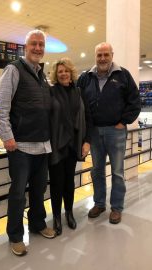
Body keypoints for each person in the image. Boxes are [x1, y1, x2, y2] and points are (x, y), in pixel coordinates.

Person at [0, 29, 56, 256]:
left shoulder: (41, 75)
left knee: (39, 191)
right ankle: (16, 236)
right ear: (25, 47)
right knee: (18, 194)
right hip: (20, 147)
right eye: (33, 44)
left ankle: (38, 224)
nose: (38, 48)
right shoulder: (13, 70)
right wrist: (8, 138)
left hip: (42, 146)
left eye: (41, 44)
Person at [77, 42, 141, 224]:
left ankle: (116, 207)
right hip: (94, 132)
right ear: (95, 56)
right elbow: (77, 101)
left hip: (116, 131)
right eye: (99, 55)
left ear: (112, 55)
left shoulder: (123, 75)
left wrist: (123, 122)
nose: (103, 58)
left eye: (106, 54)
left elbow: (134, 101)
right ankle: (99, 203)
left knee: (118, 172)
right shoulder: (86, 78)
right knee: (97, 170)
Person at [49, 58, 92, 235]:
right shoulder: (50, 92)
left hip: (74, 144)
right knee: (56, 184)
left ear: (71, 72)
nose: (64, 74)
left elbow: (88, 118)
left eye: (66, 71)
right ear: (56, 75)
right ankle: (57, 218)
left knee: (69, 182)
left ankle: (69, 213)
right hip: (57, 144)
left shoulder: (79, 92)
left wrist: (87, 140)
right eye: (60, 71)